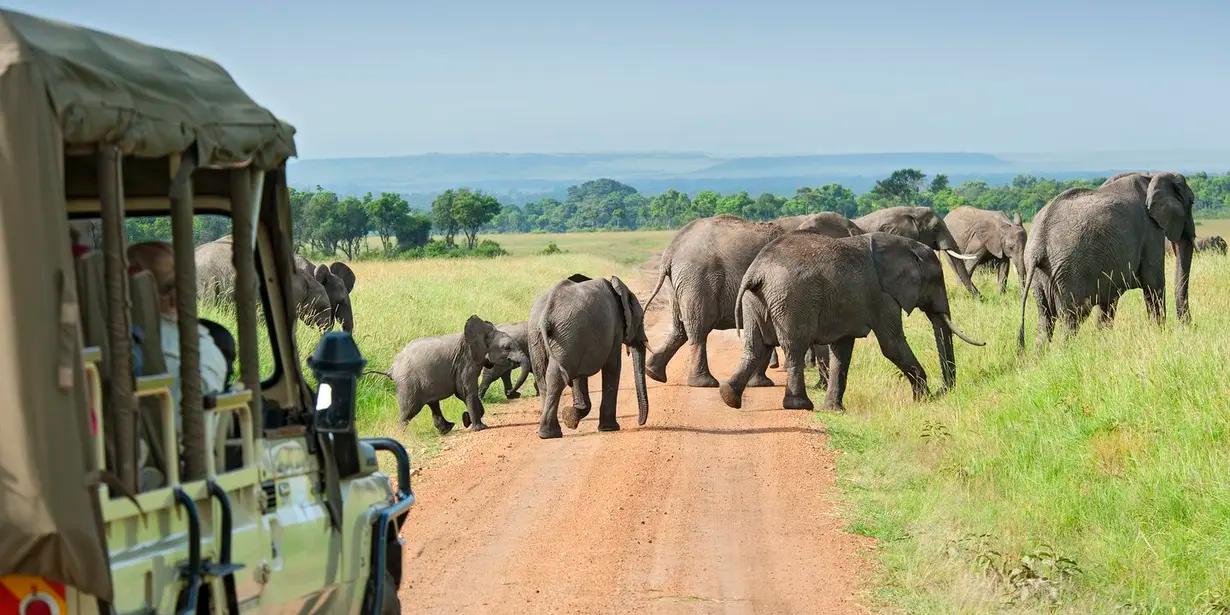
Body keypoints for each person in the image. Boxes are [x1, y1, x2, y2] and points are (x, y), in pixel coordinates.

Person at [127, 241, 228, 421]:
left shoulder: (134, 340)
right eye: (166, 288)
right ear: (137, 288)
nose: (178, 297)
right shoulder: (170, 351)